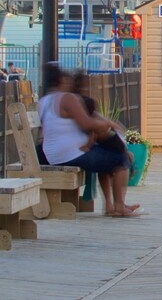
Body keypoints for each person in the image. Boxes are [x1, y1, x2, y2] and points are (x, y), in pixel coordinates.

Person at [39, 64, 138, 217]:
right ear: (61, 80)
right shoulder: (67, 98)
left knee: (106, 154)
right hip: (71, 154)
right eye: (66, 80)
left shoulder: (44, 101)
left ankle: (112, 205)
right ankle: (119, 206)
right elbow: (86, 123)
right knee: (121, 159)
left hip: (53, 154)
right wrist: (108, 123)